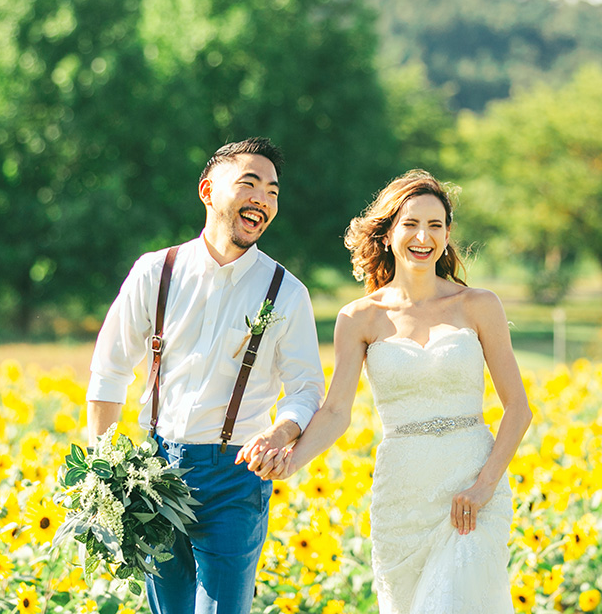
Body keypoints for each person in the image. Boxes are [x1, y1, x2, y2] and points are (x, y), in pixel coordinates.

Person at [257, 169, 533, 614]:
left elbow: (518, 410)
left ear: (446, 236)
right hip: (401, 499)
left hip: (472, 493)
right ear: (387, 234)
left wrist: (484, 487)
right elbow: (334, 412)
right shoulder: (358, 318)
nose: (423, 236)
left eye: (435, 225)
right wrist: (290, 460)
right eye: (410, 224)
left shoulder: (480, 306)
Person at [85, 137, 325, 614]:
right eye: (250, 184)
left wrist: (282, 430)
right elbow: (109, 371)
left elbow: (306, 389)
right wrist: (106, 470)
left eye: (273, 192)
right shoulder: (156, 272)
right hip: (153, 471)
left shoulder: (287, 292)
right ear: (208, 191)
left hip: (236, 475)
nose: (263, 199)